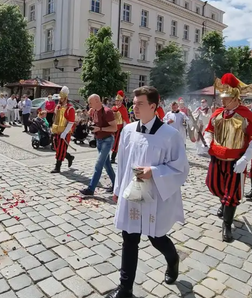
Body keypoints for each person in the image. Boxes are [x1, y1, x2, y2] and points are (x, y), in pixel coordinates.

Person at [108, 86, 189, 298]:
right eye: (133, 103)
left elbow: (181, 167)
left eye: (139, 103)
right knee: (129, 237)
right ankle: (125, 288)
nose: (134, 107)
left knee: (156, 237)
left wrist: (153, 171)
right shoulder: (128, 130)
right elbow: (123, 163)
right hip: (132, 193)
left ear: (153, 106)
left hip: (156, 194)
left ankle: (173, 260)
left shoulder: (170, 135)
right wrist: (117, 188)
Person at [204, 73, 252, 242]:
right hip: (216, 159)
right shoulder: (217, 113)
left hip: (235, 162)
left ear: (236, 98)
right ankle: (223, 202)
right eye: (222, 98)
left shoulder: (246, 115)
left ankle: (227, 225)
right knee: (214, 185)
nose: (223, 101)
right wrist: (208, 143)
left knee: (232, 194)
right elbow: (209, 131)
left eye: (227, 98)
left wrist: (245, 159)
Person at [80, 94, 117, 196]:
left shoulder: (107, 112)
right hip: (99, 140)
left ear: (97, 100)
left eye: (90, 102)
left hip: (107, 140)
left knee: (99, 164)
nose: (89, 105)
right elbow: (96, 123)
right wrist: (91, 125)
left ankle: (91, 189)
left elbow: (114, 128)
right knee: (107, 165)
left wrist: (100, 129)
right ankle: (117, 184)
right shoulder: (95, 111)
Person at [51, 86, 75, 173]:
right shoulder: (58, 106)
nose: (60, 99)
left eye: (62, 98)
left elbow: (71, 122)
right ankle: (69, 157)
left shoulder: (70, 108)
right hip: (57, 130)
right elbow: (56, 118)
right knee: (56, 147)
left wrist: (65, 132)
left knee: (61, 148)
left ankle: (58, 167)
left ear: (65, 98)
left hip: (65, 132)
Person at [110, 90, 130, 165]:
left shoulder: (123, 109)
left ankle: (113, 158)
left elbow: (126, 119)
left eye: (119, 101)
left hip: (120, 128)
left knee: (117, 143)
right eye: (116, 100)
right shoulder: (113, 108)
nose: (117, 102)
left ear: (121, 101)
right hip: (113, 127)